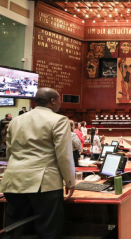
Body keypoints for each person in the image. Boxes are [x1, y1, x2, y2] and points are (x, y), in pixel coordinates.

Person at [0, 87, 75, 238]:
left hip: (13, 180)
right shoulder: (59, 120)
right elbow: (64, 155)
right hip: (43, 183)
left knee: (16, 228)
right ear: (53, 101)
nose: (60, 103)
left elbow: (9, 151)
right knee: (48, 229)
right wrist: (70, 181)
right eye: (59, 100)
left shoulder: (16, 120)